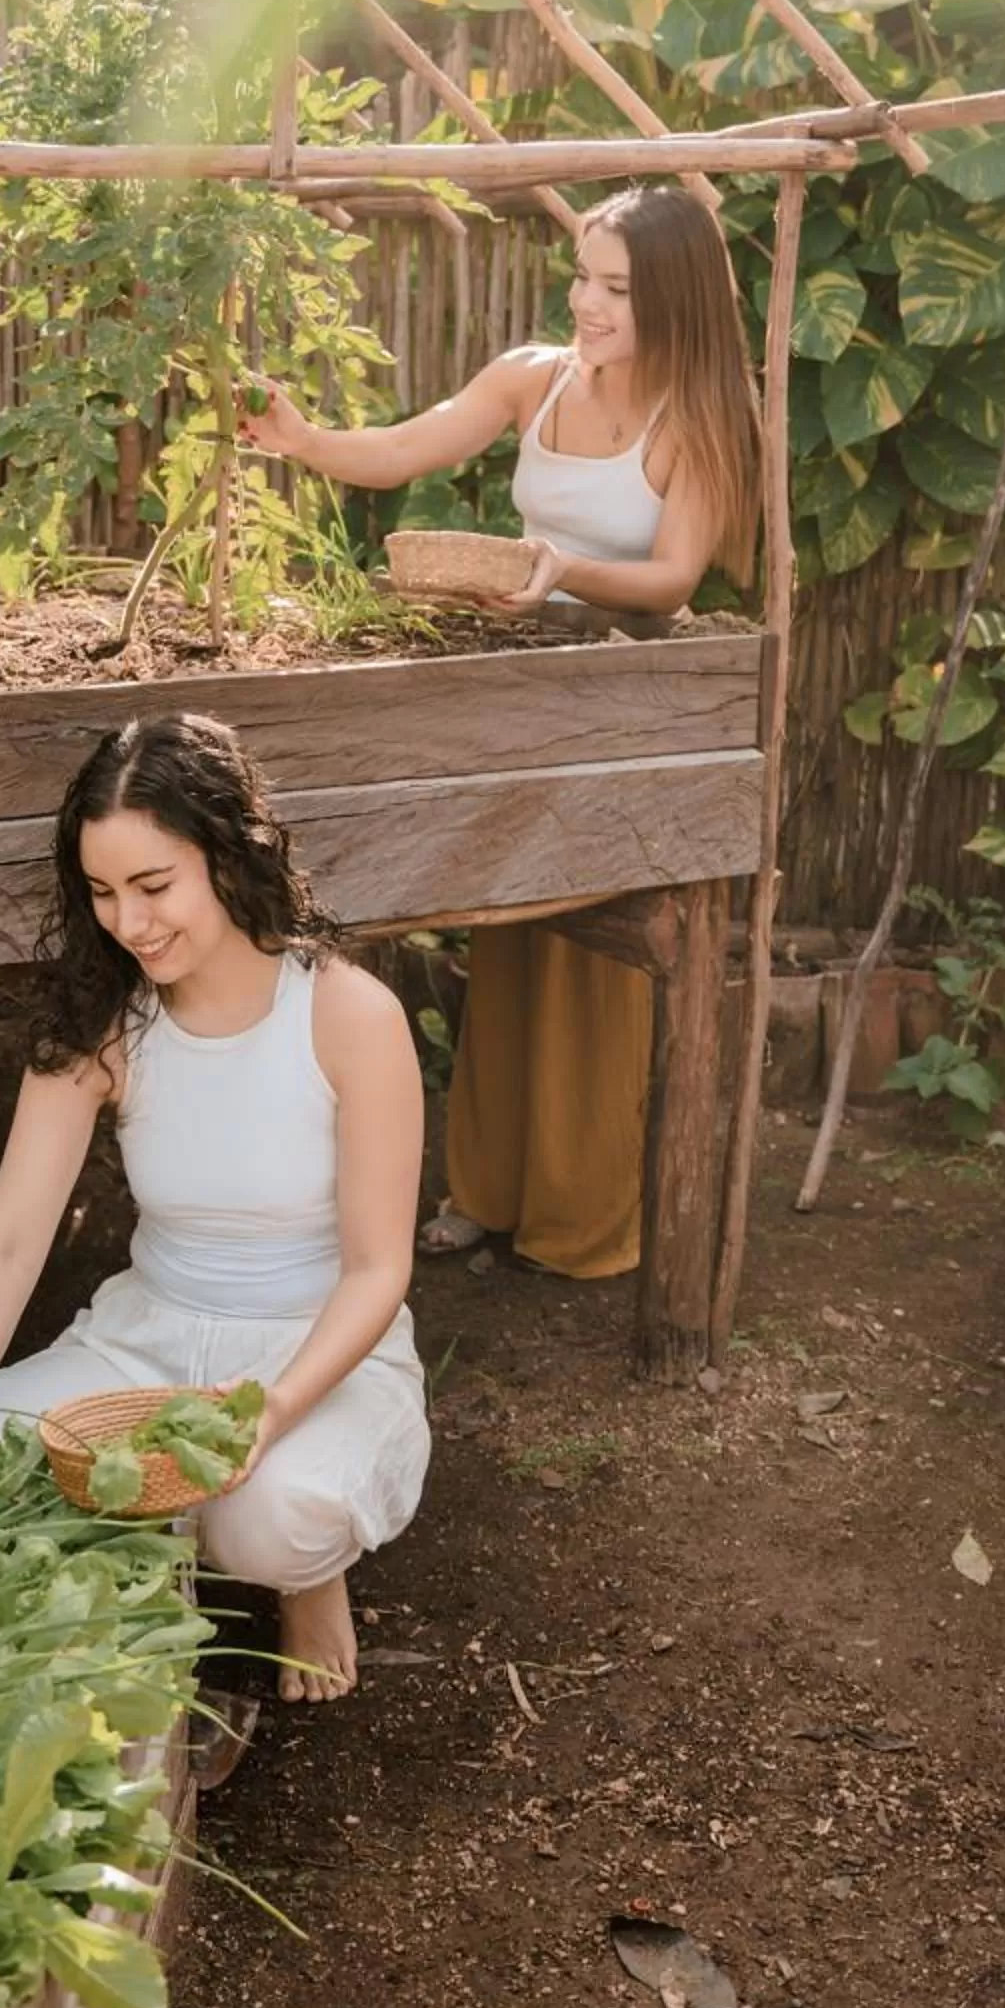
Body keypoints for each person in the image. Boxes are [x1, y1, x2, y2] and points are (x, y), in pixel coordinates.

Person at [238, 183, 761, 1281]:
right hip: (520, 696)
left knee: (594, 967)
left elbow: (674, 576)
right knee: (507, 933)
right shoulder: (534, 378)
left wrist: (559, 570)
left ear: (669, 297)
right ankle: (485, 1189)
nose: (586, 303)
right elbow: (399, 449)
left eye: (615, 287)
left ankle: (579, 1217)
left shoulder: (700, 413)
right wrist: (297, 440)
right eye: (581, 276)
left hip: (626, 712)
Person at [0, 711, 428, 1703]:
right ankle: (145, 1570)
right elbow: (12, 1234)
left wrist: (268, 1414)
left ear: (229, 857)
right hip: (144, 1342)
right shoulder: (105, 1019)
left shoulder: (345, 1014)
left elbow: (378, 1269)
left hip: (311, 1350)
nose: (130, 923)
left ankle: (303, 1577)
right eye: (103, 893)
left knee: (271, 1516)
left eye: (154, 886)